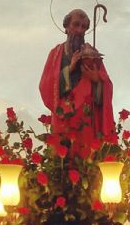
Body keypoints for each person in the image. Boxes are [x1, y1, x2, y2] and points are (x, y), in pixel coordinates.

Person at [39, 8, 114, 140]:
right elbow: (45, 85)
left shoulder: (92, 55)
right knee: (62, 156)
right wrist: (70, 68)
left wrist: (97, 80)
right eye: (76, 24)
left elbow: (107, 85)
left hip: (86, 120)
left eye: (84, 27)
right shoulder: (56, 54)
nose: (79, 30)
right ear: (66, 27)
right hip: (63, 120)